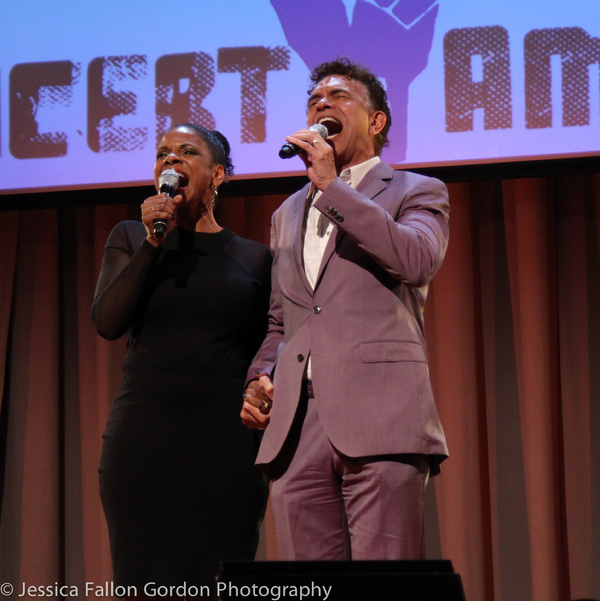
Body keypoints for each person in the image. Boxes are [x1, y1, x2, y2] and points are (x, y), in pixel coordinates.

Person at [241, 58, 449, 561]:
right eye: (314, 99)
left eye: (338, 97)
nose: (321, 104)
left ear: (376, 122)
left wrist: (334, 188)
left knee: (387, 589)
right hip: (297, 426)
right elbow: (281, 318)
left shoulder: (416, 190)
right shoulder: (286, 213)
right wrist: (260, 376)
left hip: (381, 416)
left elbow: (415, 260)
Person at [93, 123, 271, 593]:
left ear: (217, 174)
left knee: (217, 582)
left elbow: (268, 348)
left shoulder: (254, 259)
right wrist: (155, 241)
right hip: (143, 444)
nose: (170, 161)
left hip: (225, 449)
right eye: (162, 154)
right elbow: (107, 322)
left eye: (185, 152)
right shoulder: (132, 237)